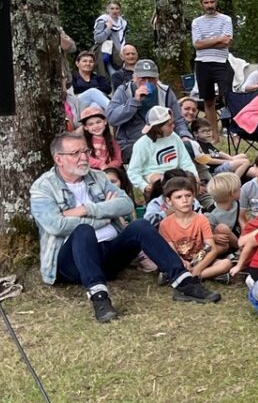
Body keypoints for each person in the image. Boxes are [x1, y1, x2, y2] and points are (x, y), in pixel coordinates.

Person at [30, 131, 221, 323]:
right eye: (76, 153)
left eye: (85, 151)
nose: (83, 157)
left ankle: (184, 282)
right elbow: (55, 225)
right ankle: (100, 298)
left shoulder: (98, 177)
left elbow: (126, 205)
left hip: (109, 253)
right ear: (59, 159)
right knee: (83, 231)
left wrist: (85, 209)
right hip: (72, 262)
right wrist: (105, 213)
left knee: (140, 225)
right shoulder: (43, 187)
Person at [156, 176, 232, 282]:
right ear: (169, 201)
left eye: (188, 195)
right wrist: (181, 262)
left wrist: (198, 268)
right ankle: (198, 276)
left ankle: (185, 277)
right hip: (178, 261)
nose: (185, 200)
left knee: (226, 263)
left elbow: (212, 249)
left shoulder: (202, 220)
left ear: (193, 197)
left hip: (199, 259)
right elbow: (171, 251)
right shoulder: (165, 224)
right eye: (178, 197)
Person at [110, 59, 187, 152]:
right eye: (142, 78)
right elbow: (112, 119)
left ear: (157, 79)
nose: (146, 83)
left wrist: (185, 136)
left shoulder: (165, 92)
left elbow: (178, 120)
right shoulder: (123, 91)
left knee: (188, 147)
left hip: (162, 140)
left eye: (151, 79)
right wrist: (134, 102)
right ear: (134, 77)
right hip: (132, 142)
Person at [127, 106, 201, 201]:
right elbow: (133, 171)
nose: (173, 127)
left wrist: (195, 175)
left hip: (175, 173)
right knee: (160, 180)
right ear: (158, 127)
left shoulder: (174, 137)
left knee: (189, 177)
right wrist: (144, 186)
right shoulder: (142, 144)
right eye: (169, 125)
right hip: (155, 176)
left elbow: (185, 160)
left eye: (173, 123)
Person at [189, 0, 235, 139]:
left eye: (212, 2)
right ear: (201, 4)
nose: (210, 5)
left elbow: (227, 42)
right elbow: (197, 44)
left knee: (227, 97)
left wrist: (207, 42)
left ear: (216, 1)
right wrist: (218, 39)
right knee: (208, 100)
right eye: (206, 3)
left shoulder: (226, 19)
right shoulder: (197, 22)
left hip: (221, 62)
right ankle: (214, 135)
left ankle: (232, 129)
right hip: (202, 63)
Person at [75, 101, 129, 193]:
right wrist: (100, 165)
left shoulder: (111, 140)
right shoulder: (84, 142)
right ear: (85, 127)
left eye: (98, 122)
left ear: (105, 122)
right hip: (91, 172)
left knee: (119, 177)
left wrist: (110, 167)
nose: (95, 126)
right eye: (91, 124)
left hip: (109, 171)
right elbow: (86, 158)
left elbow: (117, 157)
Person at [92, 0, 128, 69]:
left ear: (120, 10)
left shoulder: (123, 23)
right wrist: (108, 28)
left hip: (119, 54)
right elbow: (98, 39)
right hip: (106, 54)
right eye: (112, 8)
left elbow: (123, 39)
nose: (114, 11)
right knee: (112, 76)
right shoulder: (103, 20)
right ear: (107, 10)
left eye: (117, 8)